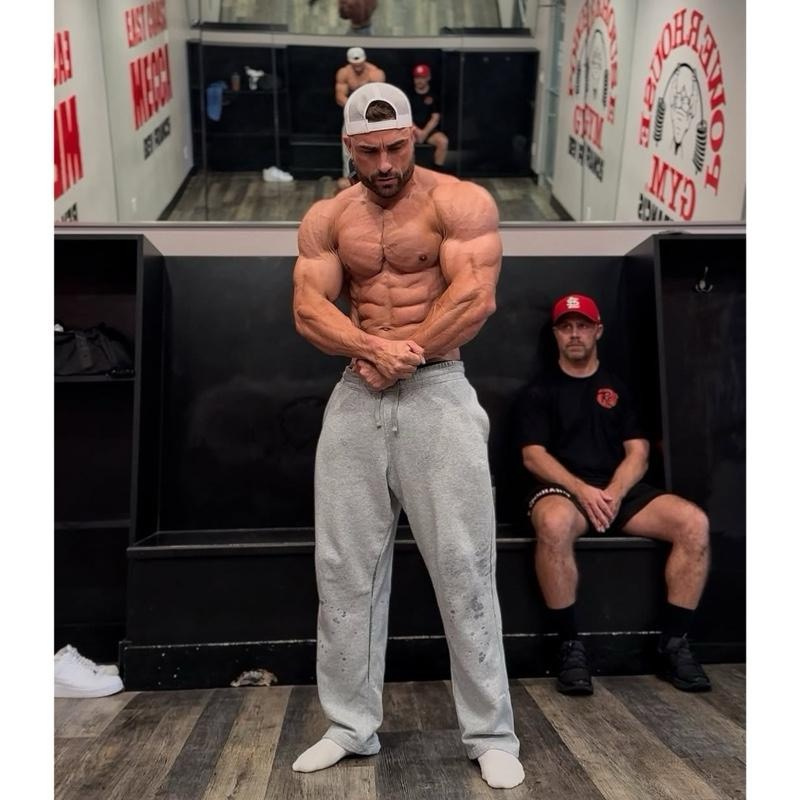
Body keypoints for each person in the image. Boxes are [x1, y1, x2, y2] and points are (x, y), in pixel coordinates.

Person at [291, 82, 524, 790]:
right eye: (369, 152)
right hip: (358, 388)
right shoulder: (328, 218)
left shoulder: (460, 203)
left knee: (463, 563)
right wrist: (371, 347)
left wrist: (406, 353)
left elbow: (475, 297)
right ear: (348, 147)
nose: (385, 163)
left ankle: (490, 733)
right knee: (343, 568)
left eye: (395, 147)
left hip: (438, 386)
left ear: (413, 138)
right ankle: (349, 726)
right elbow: (307, 308)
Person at [516, 293, 712, 696]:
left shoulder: (618, 388)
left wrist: (614, 492)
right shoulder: (539, 391)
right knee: (553, 523)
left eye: (583, 326)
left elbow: (638, 452)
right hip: (565, 492)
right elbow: (533, 456)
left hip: (615, 492)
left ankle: (673, 644)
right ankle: (569, 647)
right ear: (556, 334)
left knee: (693, 523)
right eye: (566, 327)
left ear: (598, 331)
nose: (574, 334)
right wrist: (582, 491)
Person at [334, 47, 385, 190]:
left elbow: (379, 96)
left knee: (374, 145)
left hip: (371, 114)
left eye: (359, 64)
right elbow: (339, 97)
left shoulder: (375, 73)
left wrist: (367, 110)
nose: (357, 67)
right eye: (354, 64)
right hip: (353, 112)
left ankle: (375, 174)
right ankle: (349, 177)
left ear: (364, 60)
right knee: (348, 145)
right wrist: (354, 107)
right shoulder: (344, 73)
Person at [409, 63, 449, 168]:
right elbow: (406, 116)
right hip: (412, 129)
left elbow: (435, 118)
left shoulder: (434, 95)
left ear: (428, 78)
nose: (419, 80)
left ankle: (437, 172)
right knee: (403, 144)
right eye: (417, 78)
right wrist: (417, 131)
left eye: (422, 78)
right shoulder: (408, 94)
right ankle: (409, 172)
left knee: (443, 142)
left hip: (428, 130)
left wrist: (424, 133)